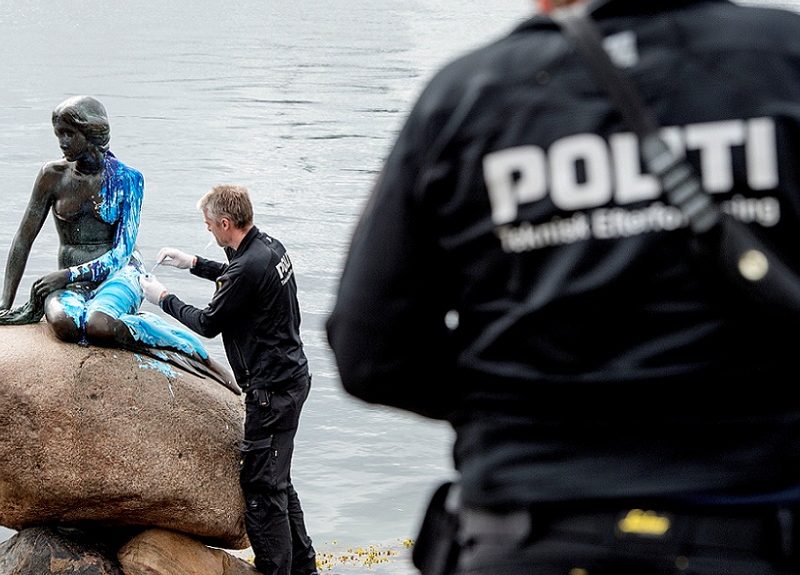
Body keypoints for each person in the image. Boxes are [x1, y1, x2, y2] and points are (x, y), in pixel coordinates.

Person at [326, 0, 800, 573]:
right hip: (757, 523)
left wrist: (521, 406)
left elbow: (369, 349)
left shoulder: (468, 96)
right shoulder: (784, 57)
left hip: (531, 530)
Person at [139, 184, 318, 575]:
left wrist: (163, 298)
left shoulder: (248, 265)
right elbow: (239, 278)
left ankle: (276, 570)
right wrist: (195, 264)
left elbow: (207, 322)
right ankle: (305, 569)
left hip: (271, 392)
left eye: (209, 226)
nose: (209, 232)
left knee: (261, 489)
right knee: (278, 481)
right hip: (291, 378)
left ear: (225, 222)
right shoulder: (268, 247)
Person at [0, 95, 234, 390]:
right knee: (65, 325)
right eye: (58, 133)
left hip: (120, 275)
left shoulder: (127, 180)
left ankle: (176, 341)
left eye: (69, 134)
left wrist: (66, 274)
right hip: (73, 286)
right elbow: (24, 238)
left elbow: (122, 253)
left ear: (92, 133)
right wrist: (5, 303)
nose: (61, 141)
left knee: (98, 325)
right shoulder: (52, 176)